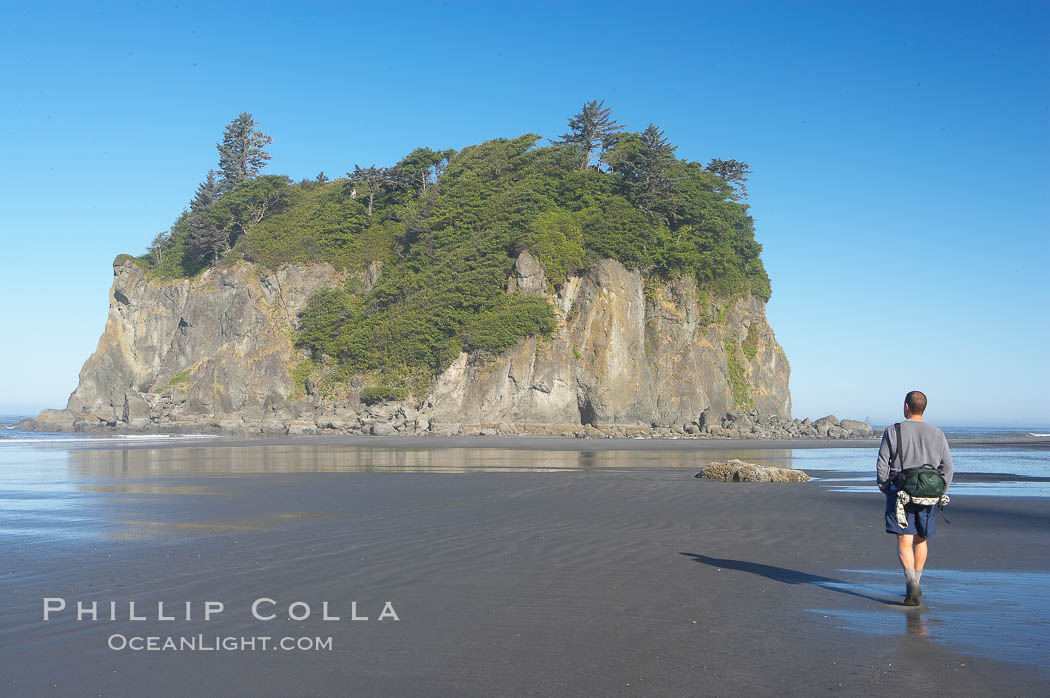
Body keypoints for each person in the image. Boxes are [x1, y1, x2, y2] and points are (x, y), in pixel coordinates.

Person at [876, 390, 953, 606]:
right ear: (923, 408)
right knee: (921, 538)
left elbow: (883, 463)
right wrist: (939, 490)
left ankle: (911, 582)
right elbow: (947, 467)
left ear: (906, 407)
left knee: (904, 539)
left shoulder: (893, 431)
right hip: (928, 495)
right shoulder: (937, 433)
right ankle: (917, 581)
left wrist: (885, 487)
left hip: (900, 492)